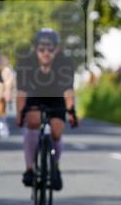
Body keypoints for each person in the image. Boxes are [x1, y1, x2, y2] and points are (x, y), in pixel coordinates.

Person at [15, 28, 78, 190]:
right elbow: (21, 92)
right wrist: (20, 115)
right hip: (34, 96)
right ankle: (30, 169)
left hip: (56, 98)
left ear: (57, 49)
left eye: (50, 49)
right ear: (35, 49)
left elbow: (68, 91)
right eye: (41, 49)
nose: (46, 53)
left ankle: (54, 166)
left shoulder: (64, 63)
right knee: (33, 121)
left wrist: (71, 112)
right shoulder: (26, 63)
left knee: (57, 131)